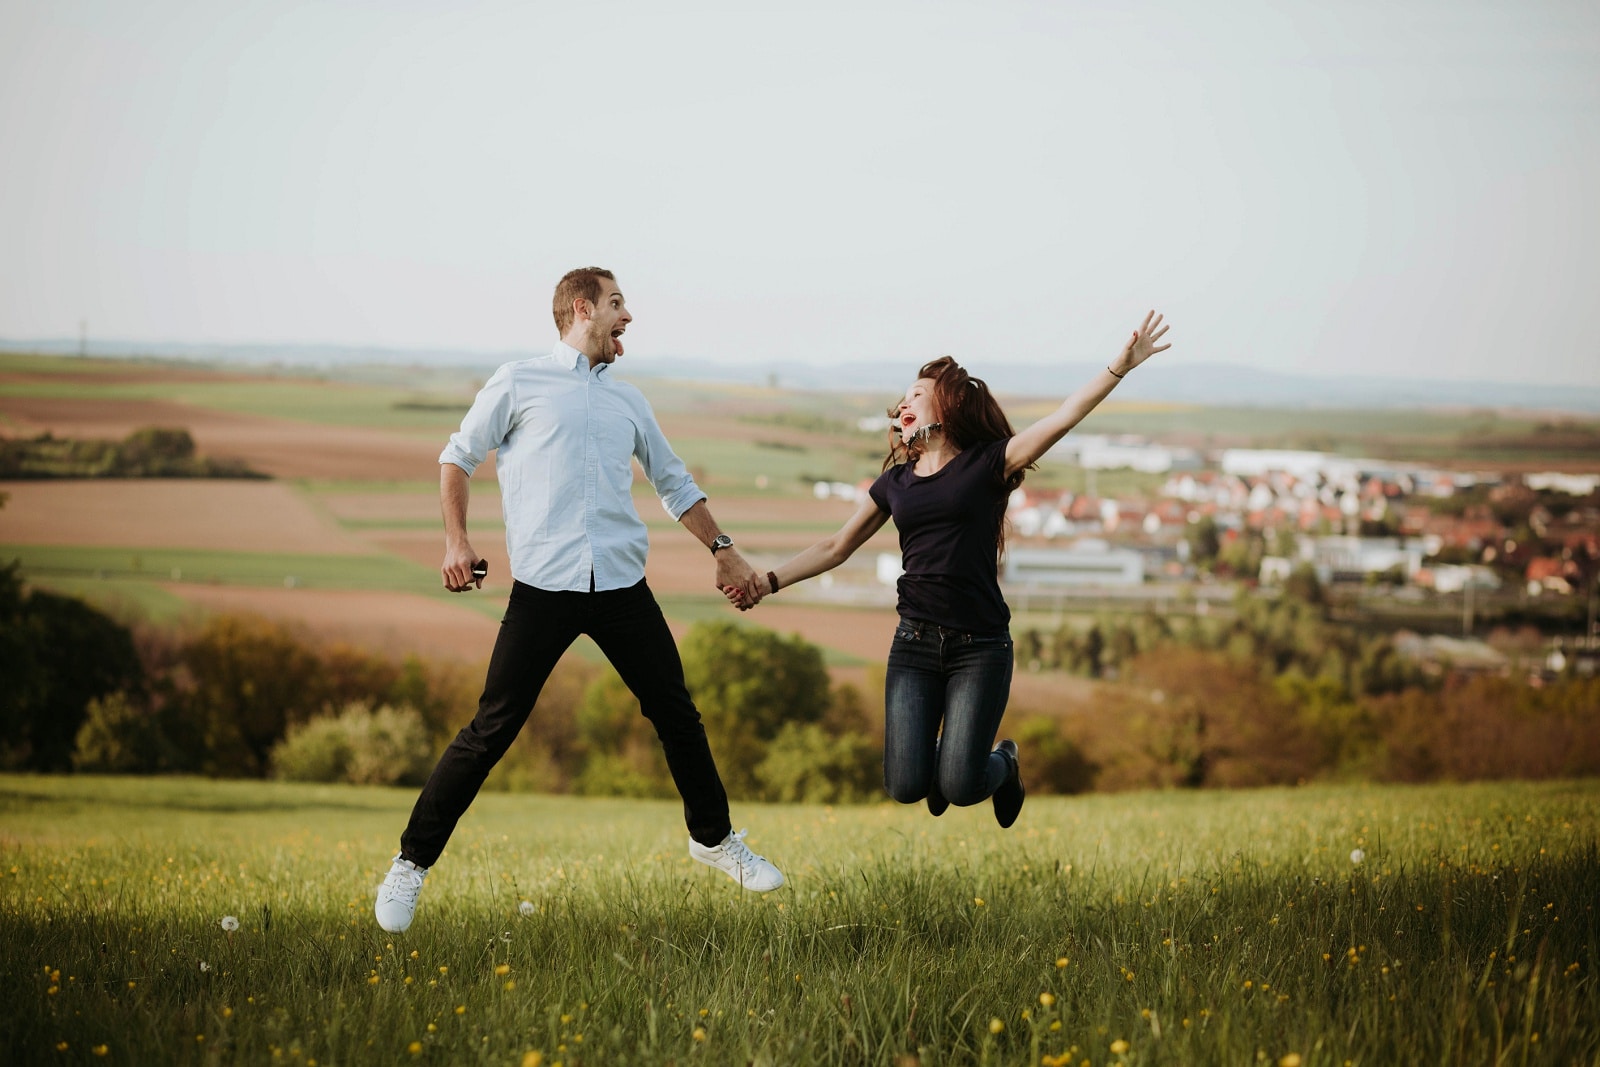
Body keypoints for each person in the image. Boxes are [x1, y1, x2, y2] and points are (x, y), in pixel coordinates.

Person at [376, 267, 783, 934]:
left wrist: (724, 550)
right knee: (491, 729)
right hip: (545, 590)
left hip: (622, 586)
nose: (629, 317)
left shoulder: (629, 401)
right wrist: (456, 540)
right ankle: (409, 865)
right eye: (619, 304)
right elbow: (457, 458)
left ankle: (713, 839)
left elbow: (674, 481)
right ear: (584, 308)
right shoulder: (519, 381)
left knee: (677, 713)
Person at [730, 312, 1171, 826]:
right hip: (914, 643)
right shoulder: (896, 482)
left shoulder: (989, 463)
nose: (904, 403)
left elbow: (1063, 418)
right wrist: (766, 581)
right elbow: (836, 545)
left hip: (979, 648)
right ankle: (945, 766)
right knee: (904, 786)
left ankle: (1002, 763)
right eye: (903, 397)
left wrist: (1118, 368)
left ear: (948, 402)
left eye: (917, 393)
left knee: (961, 788)